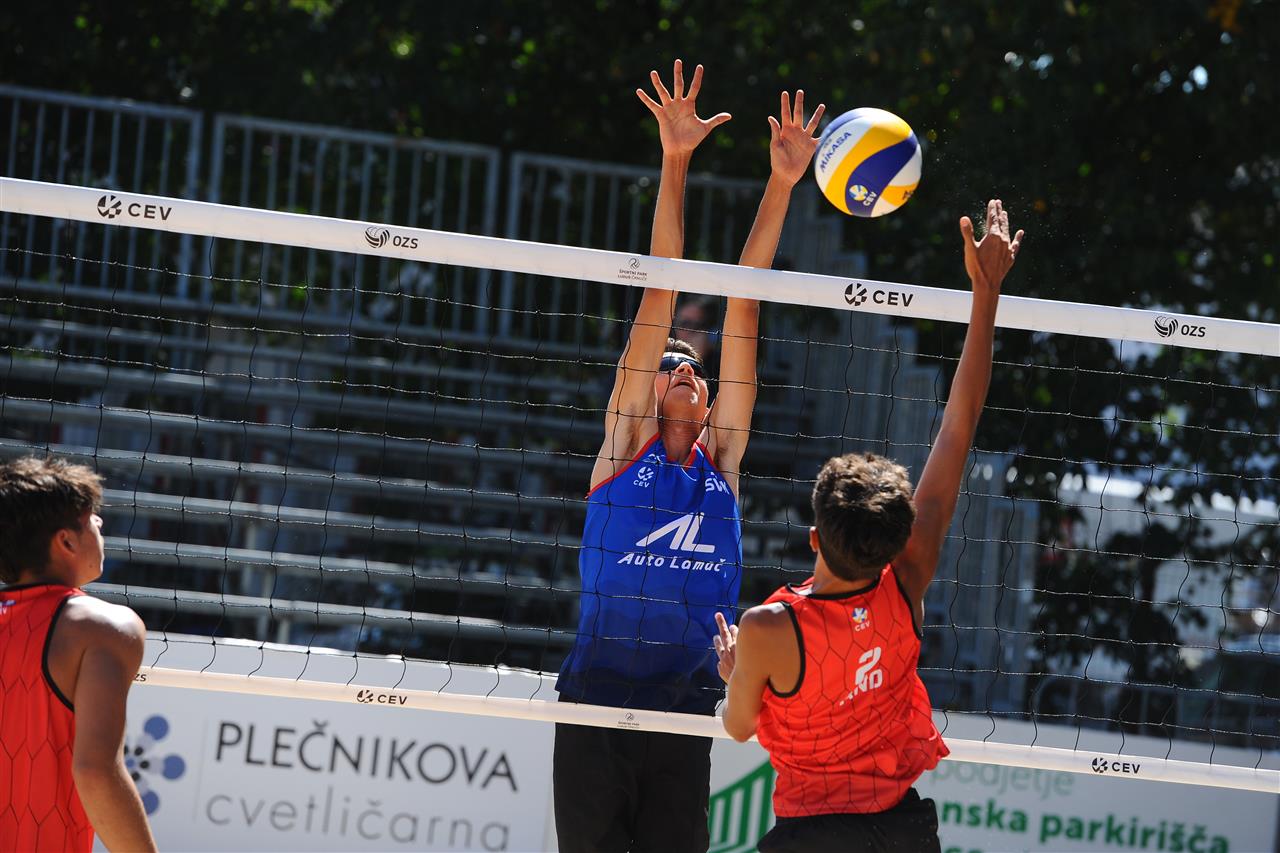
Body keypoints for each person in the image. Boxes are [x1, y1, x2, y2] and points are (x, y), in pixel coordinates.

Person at [553, 59, 825, 853]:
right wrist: (675, 161)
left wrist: (782, 181)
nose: (682, 368)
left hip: (682, 711)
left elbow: (745, 304)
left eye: (693, 368)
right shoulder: (622, 444)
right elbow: (658, 293)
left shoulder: (722, 463)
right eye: (668, 362)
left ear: (708, 403)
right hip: (595, 705)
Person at [715, 200, 1024, 852]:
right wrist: (986, 293)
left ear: (814, 537)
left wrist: (736, 671)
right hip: (901, 832)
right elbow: (960, 425)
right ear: (894, 539)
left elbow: (737, 727)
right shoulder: (906, 580)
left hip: (812, 838)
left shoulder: (767, 628)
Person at [0, 456, 157, 853]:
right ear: (66, 541)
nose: (100, 523)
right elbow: (95, 773)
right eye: (90, 517)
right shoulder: (102, 627)